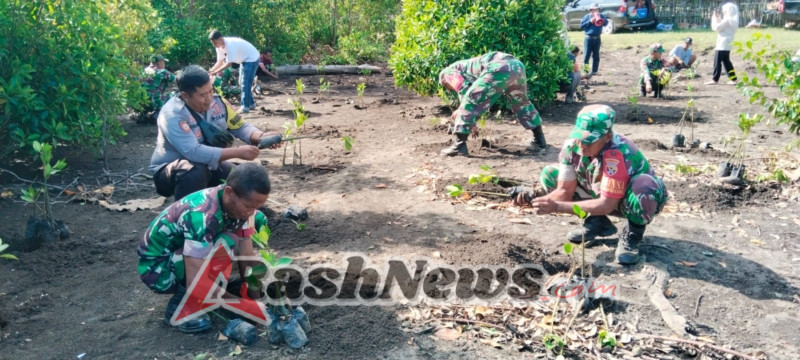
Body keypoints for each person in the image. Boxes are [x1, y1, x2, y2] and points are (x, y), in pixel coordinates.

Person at [510, 104, 667, 265]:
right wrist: (537, 200)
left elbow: (606, 204)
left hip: (631, 201)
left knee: (644, 187)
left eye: (590, 141)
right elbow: (564, 191)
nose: (582, 145)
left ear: (607, 137)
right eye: (580, 138)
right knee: (550, 174)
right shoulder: (572, 146)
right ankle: (596, 222)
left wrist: (556, 206)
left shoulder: (618, 152)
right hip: (600, 192)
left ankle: (633, 236)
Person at [137, 163, 270, 333]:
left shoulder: (240, 208)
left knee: (242, 232)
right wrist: (244, 307)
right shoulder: (202, 215)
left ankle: (213, 289)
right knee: (226, 242)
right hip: (158, 269)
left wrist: (255, 299)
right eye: (248, 206)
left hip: (185, 254)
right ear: (229, 192)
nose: (251, 212)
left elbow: (247, 257)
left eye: (256, 207)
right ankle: (180, 306)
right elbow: (195, 282)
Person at [149, 65, 281, 201]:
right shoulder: (172, 114)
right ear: (185, 95)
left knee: (245, 179)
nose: (209, 98)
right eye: (202, 95)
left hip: (209, 165)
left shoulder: (219, 103)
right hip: (171, 171)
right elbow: (193, 152)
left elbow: (239, 126)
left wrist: (260, 137)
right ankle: (186, 213)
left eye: (211, 91)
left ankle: (237, 214)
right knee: (196, 172)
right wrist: (238, 152)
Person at [438, 51, 547, 156]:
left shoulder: (447, 74)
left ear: (444, 82)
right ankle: (539, 140)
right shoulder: (464, 67)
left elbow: (465, 90)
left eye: (447, 87)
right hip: (516, 66)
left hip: (498, 66)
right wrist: (471, 122)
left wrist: (463, 115)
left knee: (469, 99)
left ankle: (459, 146)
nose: (450, 89)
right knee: (521, 102)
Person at [207, 30, 260, 113]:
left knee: (245, 83)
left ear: (221, 39)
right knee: (241, 82)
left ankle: (245, 107)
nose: (214, 45)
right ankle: (251, 104)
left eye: (215, 42)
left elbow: (229, 63)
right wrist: (210, 71)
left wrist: (215, 72)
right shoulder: (219, 47)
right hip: (244, 59)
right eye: (212, 43)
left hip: (252, 58)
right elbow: (220, 61)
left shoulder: (230, 45)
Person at [706, 1, 739, 85]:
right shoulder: (732, 20)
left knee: (717, 61)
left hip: (723, 43)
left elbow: (716, 27)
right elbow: (722, 26)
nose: (723, 12)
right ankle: (733, 79)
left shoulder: (727, 19)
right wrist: (718, 18)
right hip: (727, 42)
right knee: (726, 61)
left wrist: (714, 18)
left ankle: (715, 79)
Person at [580, 3, 608, 77]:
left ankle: (595, 71)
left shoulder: (601, 16)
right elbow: (581, 26)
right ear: (591, 10)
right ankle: (585, 71)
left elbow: (606, 23)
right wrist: (590, 21)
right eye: (594, 10)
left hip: (597, 38)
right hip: (588, 38)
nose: (595, 11)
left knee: (596, 55)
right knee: (586, 55)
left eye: (597, 9)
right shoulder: (587, 16)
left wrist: (601, 19)